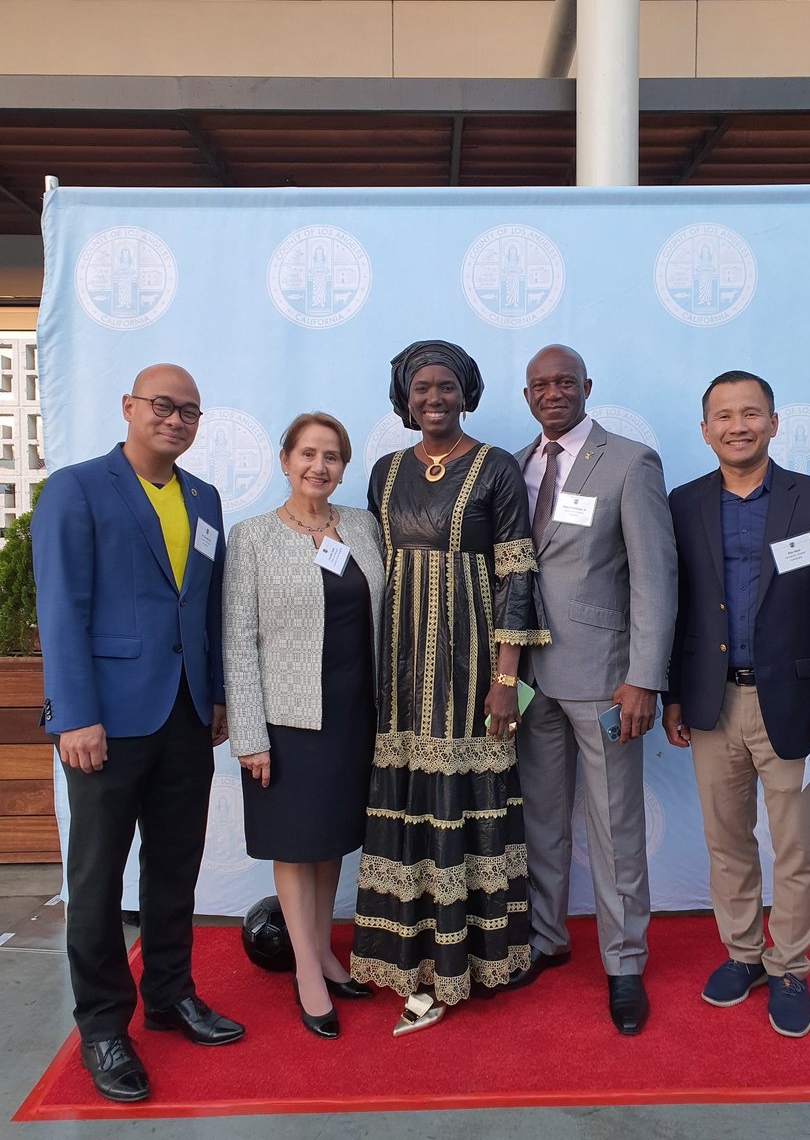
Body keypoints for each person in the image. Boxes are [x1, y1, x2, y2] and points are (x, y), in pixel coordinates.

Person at [31, 364, 244, 1105]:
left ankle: (168, 995)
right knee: (94, 880)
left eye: (190, 410)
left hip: (185, 714)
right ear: (129, 407)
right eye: (163, 406)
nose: (177, 419)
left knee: (174, 865)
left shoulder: (204, 498)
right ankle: (101, 1027)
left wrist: (215, 695)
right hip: (106, 721)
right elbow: (60, 608)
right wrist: (73, 714)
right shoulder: (77, 489)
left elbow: (206, 607)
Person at [350, 340, 549, 1036]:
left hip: (469, 676)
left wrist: (506, 680)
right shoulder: (384, 472)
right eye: (419, 388)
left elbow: (517, 577)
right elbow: (372, 571)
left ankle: (471, 962)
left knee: (464, 807)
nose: (432, 398)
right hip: (399, 674)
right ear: (403, 398)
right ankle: (409, 963)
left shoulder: (495, 468)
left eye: (445, 386)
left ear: (467, 391)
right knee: (407, 805)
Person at [662, 371, 810, 1039]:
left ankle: (789, 967)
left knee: (796, 847)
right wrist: (673, 698)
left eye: (751, 413)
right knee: (727, 843)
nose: (737, 425)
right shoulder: (683, 504)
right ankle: (743, 954)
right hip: (712, 704)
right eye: (723, 415)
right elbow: (677, 610)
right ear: (705, 431)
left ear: (774, 424)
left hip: (798, 709)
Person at [508, 345, 677, 1037]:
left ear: (587, 388)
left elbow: (655, 578)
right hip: (530, 682)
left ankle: (624, 962)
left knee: (614, 824)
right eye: (541, 385)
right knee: (541, 819)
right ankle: (548, 937)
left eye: (565, 382)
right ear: (527, 396)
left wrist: (643, 678)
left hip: (607, 681)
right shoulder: (515, 462)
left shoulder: (630, 462)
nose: (554, 393)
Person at [223, 412, 384, 1040]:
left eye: (332, 457)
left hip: (353, 712)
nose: (319, 467)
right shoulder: (253, 537)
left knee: (332, 839)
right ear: (286, 459)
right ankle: (306, 974)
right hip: (287, 719)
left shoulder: (364, 527)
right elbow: (237, 641)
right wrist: (250, 734)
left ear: (344, 467)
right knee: (295, 843)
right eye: (308, 454)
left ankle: (321, 951)